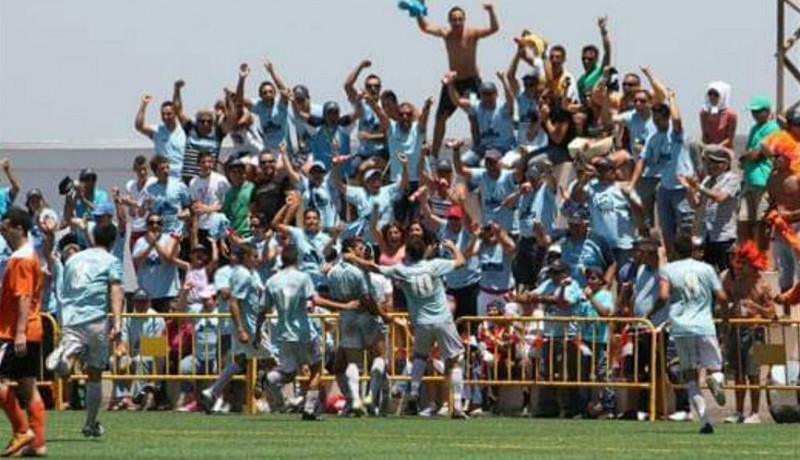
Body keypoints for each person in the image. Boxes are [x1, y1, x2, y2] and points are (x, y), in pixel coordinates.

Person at [346, 236, 469, 419]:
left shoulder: (401, 269)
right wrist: (452, 247)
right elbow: (461, 262)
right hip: (443, 320)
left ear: (408, 253)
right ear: (424, 251)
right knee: (455, 360)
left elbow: (374, 267)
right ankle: (457, 405)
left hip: (421, 322)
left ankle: (413, 393)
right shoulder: (434, 265)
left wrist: (354, 258)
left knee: (420, 356)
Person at [263, 245, 360, 420]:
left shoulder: (271, 281)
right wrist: (344, 306)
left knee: (288, 373)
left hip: (283, 334)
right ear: (297, 260)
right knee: (316, 370)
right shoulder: (303, 278)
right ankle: (309, 410)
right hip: (304, 333)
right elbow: (315, 300)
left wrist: (256, 332)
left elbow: (263, 309)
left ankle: (270, 378)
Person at [45, 223, 124, 437]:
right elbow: (116, 290)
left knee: (68, 364)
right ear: (113, 241)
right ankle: (90, 423)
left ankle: (67, 355)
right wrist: (117, 322)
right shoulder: (112, 260)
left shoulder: (73, 259)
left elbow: (64, 288)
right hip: (96, 318)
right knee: (95, 373)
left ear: (93, 237)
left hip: (70, 318)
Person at [649, 234, 728, 434]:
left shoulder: (668, 269)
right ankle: (716, 379)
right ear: (693, 249)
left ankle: (705, 422)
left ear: (674, 250)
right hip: (704, 325)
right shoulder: (707, 269)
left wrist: (650, 313)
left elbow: (663, 296)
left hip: (681, 328)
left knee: (690, 376)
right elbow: (722, 297)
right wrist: (725, 319)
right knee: (715, 368)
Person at [415, 2, 500, 156]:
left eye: (460, 19)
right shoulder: (445, 33)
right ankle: (434, 155)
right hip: (454, 82)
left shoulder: (472, 33)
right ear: (449, 21)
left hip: (471, 81)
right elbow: (425, 27)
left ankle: (479, 151)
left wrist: (491, 10)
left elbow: (494, 28)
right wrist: (418, 10)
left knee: (474, 117)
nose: (457, 22)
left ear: (464, 20)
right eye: (454, 19)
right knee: (440, 117)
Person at [0, 207, 46, 457]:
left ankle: (21, 430)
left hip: (15, 331)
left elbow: (24, 296)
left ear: (19, 228)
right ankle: (37, 443)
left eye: (5, 228)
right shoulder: (31, 255)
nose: (2, 232)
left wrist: (18, 332)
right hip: (32, 328)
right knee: (29, 386)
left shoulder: (21, 258)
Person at [629, 90, 695, 257]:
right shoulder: (653, 138)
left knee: (686, 229)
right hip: (665, 189)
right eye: (655, 120)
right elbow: (642, 160)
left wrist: (671, 99)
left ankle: (688, 260)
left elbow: (677, 119)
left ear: (666, 118)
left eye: (659, 119)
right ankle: (672, 261)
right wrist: (631, 185)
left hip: (681, 189)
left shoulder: (676, 134)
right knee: (667, 231)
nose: (657, 123)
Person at [722, 240, 777, 424]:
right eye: (740, 262)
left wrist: (756, 307)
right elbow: (724, 303)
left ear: (753, 264)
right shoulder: (732, 281)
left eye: (744, 263)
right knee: (738, 374)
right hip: (736, 331)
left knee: (753, 374)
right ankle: (738, 412)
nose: (740, 266)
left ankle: (754, 413)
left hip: (755, 332)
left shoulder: (762, 285)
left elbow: (772, 313)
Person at [680, 146, 741, 272]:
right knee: (707, 272)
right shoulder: (707, 180)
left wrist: (698, 186)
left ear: (725, 164)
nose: (710, 165)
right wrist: (689, 189)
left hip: (723, 236)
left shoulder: (732, 179)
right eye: (709, 162)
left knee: (726, 272)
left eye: (715, 162)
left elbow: (720, 197)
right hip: (706, 235)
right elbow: (695, 204)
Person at [444, 71, 517, 166]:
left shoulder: (503, 108)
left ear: (496, 94)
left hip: (502, 147)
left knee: (484, 164)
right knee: (462, 161)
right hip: (484, 147)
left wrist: (504, 80)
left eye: (490, 94)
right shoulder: (478, 106)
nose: (487, 97)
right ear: (481, 95)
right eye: (484, 94)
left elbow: (510, 99)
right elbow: (457, 101)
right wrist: (450, 84)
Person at [738, 96, 780, 249]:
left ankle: (761, 255)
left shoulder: (773, 128)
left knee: (761, 221)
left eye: (758, 111)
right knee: (743, 220)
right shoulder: (754, 129)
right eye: (753, 111)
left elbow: (757, 154)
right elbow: (749, 153)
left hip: (763, 181)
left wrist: (746, 155)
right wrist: (747, 156)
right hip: (749, 179)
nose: (754, 114)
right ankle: (748, 254)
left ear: (767, 111)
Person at [173, 79, 228, 180]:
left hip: (209, 181)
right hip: (188, 180)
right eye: (202, 121)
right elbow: (177, 110)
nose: (205, 124)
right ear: (196, 121)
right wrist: (177, 90)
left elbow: (230, 119)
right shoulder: (190, 129)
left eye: (209, 121)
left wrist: (226, 103)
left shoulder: (217, 133)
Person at [135, 94, 187, 179]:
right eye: (163, 114)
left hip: (182, 176)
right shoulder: (157, 131)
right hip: (163, 176)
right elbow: (139, 126)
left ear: (175, 114)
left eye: (169, 114)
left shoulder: (184, 131)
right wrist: (143, 105)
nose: (165, 117)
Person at [189, 150, 230, 241]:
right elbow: (195, 207)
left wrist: (209, 209)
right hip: (201, 227)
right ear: (198, 164)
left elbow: (229, 204)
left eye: (209, 161)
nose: (206, 165)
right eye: (203, 162)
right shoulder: (193, 182)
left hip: (218, 225)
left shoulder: (221, 180)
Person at [576, 17, 612, 104]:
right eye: (584, 59)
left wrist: (603, 31)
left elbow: (607, 52)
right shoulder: (580, 81)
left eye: (590, 59)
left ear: (596, 59)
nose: (586, 61)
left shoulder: (600, 72)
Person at [699, 81, 737, 149]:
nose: (712, 96)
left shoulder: (731, 115)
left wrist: (717, 147)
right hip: (708, 149)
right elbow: (704, 135)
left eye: (716, 94)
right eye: (710, 93)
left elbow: (730, 139)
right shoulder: (703, 113)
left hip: (724, 150)